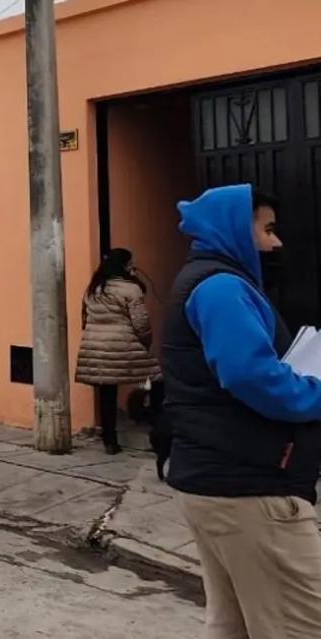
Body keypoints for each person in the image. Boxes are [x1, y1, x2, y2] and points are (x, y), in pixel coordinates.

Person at [162, 184, 321, 637]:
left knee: (232, 624)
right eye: (268, 229)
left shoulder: (205, 281)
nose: (277, 242)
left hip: (216, 480)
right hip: (249, 487)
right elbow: (250, 376)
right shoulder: (221, 288)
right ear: (236, 228)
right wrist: (315, 391)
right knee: (300, 626)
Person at [74, 248, 162, 455]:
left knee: (107, 392)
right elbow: (141, 323)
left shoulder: (93, 288)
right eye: (131, 264)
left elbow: (84, 319)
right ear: (125, 266)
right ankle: (153, 423)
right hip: (124, 345)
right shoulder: (131, 289)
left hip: (95, 347)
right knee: (155, 379)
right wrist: (145, 343)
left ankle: (110, 440)